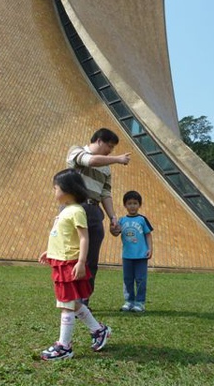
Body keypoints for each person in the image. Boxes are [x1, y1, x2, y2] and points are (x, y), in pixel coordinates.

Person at [38, 168, 111, 361]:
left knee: (66, 305)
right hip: (61, 261)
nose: (54, 191)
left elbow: (84, 238)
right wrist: (50, 252)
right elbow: (62, 236)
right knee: (73, 303)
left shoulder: (77, 211)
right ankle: (99, 330)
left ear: (68, 189)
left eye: (56, 188)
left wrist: (80, 262)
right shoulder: (65, 211)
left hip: (70, 263)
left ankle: (64, 346)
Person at [66, 128, 131, 306]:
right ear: (99, 140)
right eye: (109, 146)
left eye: (113, 149)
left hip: (94, 211)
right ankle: (68, 297)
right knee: (71, 255)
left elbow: (105, 193)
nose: (110, 151)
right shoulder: (77, 151)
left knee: (90, 259)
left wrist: (112, 218)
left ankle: (83, 300)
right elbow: (91, 161)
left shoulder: (107, 168)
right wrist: (118, 159)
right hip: (75, 207)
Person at [111, 190, 153, 313]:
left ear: (139, 205)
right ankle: (129, 301)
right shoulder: (122, 221)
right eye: (129, 203)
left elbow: (148, 235)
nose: (132, 206)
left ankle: (140, 302)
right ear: (125, 205)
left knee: (140, 279)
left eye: (135, 203)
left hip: (141, 256)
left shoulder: (142, 220)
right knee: (127, 279)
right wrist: (113, 227)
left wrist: (150, 249)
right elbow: (115, 233)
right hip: (127, 256)